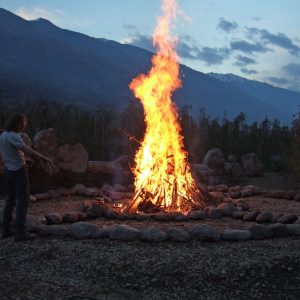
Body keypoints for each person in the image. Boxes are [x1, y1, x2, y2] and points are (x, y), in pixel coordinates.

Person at [0, 113, 53, 242]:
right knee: (23, 201)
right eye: (23, 123)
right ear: (17, 123)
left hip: (8, 171)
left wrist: (25, 160)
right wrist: (43, 158)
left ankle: (6, 230)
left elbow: (14, 152)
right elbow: (27, 150)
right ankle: (20, 232)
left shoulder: (3, 135)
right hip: (18, 172)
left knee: (10, 201)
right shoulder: (14, 136)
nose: (24, 126)